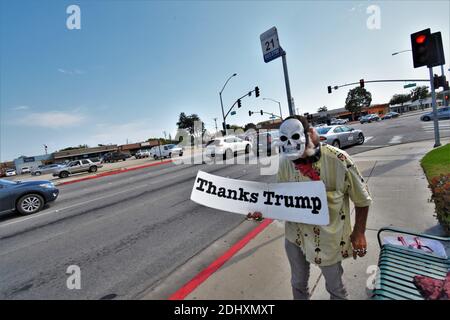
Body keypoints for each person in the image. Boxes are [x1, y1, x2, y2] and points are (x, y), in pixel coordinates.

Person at [252, 115, 372, 300]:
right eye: (284, 140)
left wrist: (359, 232)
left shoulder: (338, 159)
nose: (292, 150)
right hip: (295, 236)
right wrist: (262, 209)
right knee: (298, 284)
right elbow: (281, 199)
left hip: (328, 240)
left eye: (295, 138)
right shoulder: (285, 162)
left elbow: (362, 199)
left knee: (336, 289)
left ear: (309, 134)